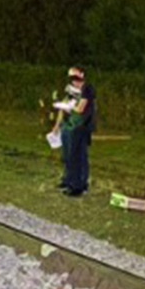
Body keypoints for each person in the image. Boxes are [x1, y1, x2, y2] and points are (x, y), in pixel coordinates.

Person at [58, 66, 96, 196]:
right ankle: (68, 180)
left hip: (81, 126)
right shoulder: (70, 89)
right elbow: (64, 104)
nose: (73, 80)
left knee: (78, 156)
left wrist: (70, 106)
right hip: (68, 124)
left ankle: (79, 185)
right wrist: (58, 124)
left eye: (75, 76)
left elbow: (80, 108)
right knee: (67, 154)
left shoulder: (87, 89)